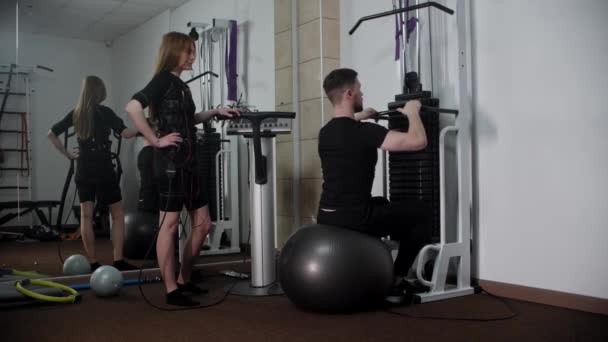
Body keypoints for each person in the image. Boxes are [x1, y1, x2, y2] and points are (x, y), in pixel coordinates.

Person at [125, 32, 239, 306]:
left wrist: (213, 112)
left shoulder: (181, 85)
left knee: (203, 224)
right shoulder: (163, 79)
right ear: (173, 52)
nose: (192, 57)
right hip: (170, 163)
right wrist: (154, 140)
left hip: (190, 160)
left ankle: (184, 279)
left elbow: (188, 119)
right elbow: (132, 107)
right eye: (188, 51)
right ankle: (171, 289)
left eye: (193, 51)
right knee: (171, 225)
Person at [317, 68, 432, 303]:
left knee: (382, 203)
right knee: (422, 212)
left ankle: (376, 265)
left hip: (327, 216)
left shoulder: (326, 132)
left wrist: (362, 115)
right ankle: (396, 280)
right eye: (360, 90)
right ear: (349, 94)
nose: (362, 94)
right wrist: (413, 112)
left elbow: (346, 127)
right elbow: (418, 141)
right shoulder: (365, 132)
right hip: (356, 219)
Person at [48, 75, 139, 272]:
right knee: (116, 214)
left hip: (83, 168)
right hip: (104, 168)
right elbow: (126, 133)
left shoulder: (76, 113)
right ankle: (118, 260)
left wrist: (68, 155)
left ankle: (92, 262)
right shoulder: (105, 112)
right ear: (99, 92)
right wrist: (144, 127)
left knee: (86, 216)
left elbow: (51, 133)